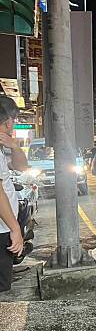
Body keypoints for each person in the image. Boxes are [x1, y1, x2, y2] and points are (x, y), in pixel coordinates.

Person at [0, 96, 29, 293]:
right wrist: (15, 228)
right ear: (8, 120)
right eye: (14, 119)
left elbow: (21, 166)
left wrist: (15, 146)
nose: (14, 124)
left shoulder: (3, 145)